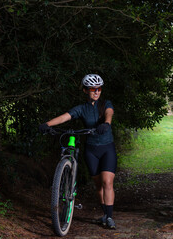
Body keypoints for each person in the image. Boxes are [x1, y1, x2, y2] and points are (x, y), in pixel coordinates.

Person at [39, 74, 117, 229]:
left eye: (99, 88)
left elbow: (109, 113)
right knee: (98, 185)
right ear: (85, 90)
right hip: (91, 149)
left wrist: (106, 124)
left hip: (107, 147)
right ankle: (105, 213)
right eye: (93, 89)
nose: (96, 91)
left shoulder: (105, 104)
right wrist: (47, 124)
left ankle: (109, 217)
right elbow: (64, 117)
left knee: (107, 182)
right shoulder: (81, 109)